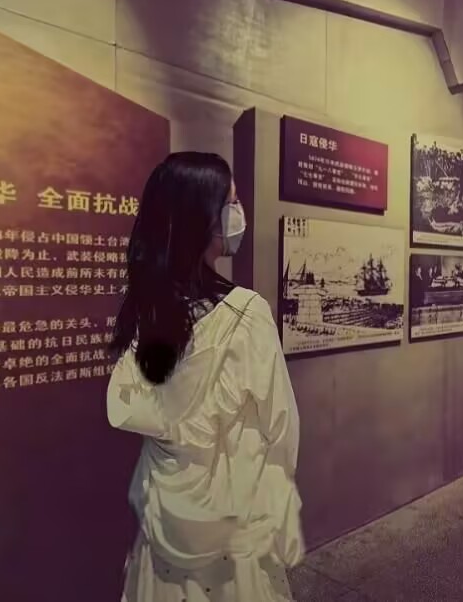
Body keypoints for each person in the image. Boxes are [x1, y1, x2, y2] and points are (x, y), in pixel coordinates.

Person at [106, 152, 304, 602]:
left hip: (163, 514)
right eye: (231, 202)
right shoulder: (246, 313)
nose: (239, 212)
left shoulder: (145, 305)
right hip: (231, 518)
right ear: (202, 218)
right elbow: (281, 428)